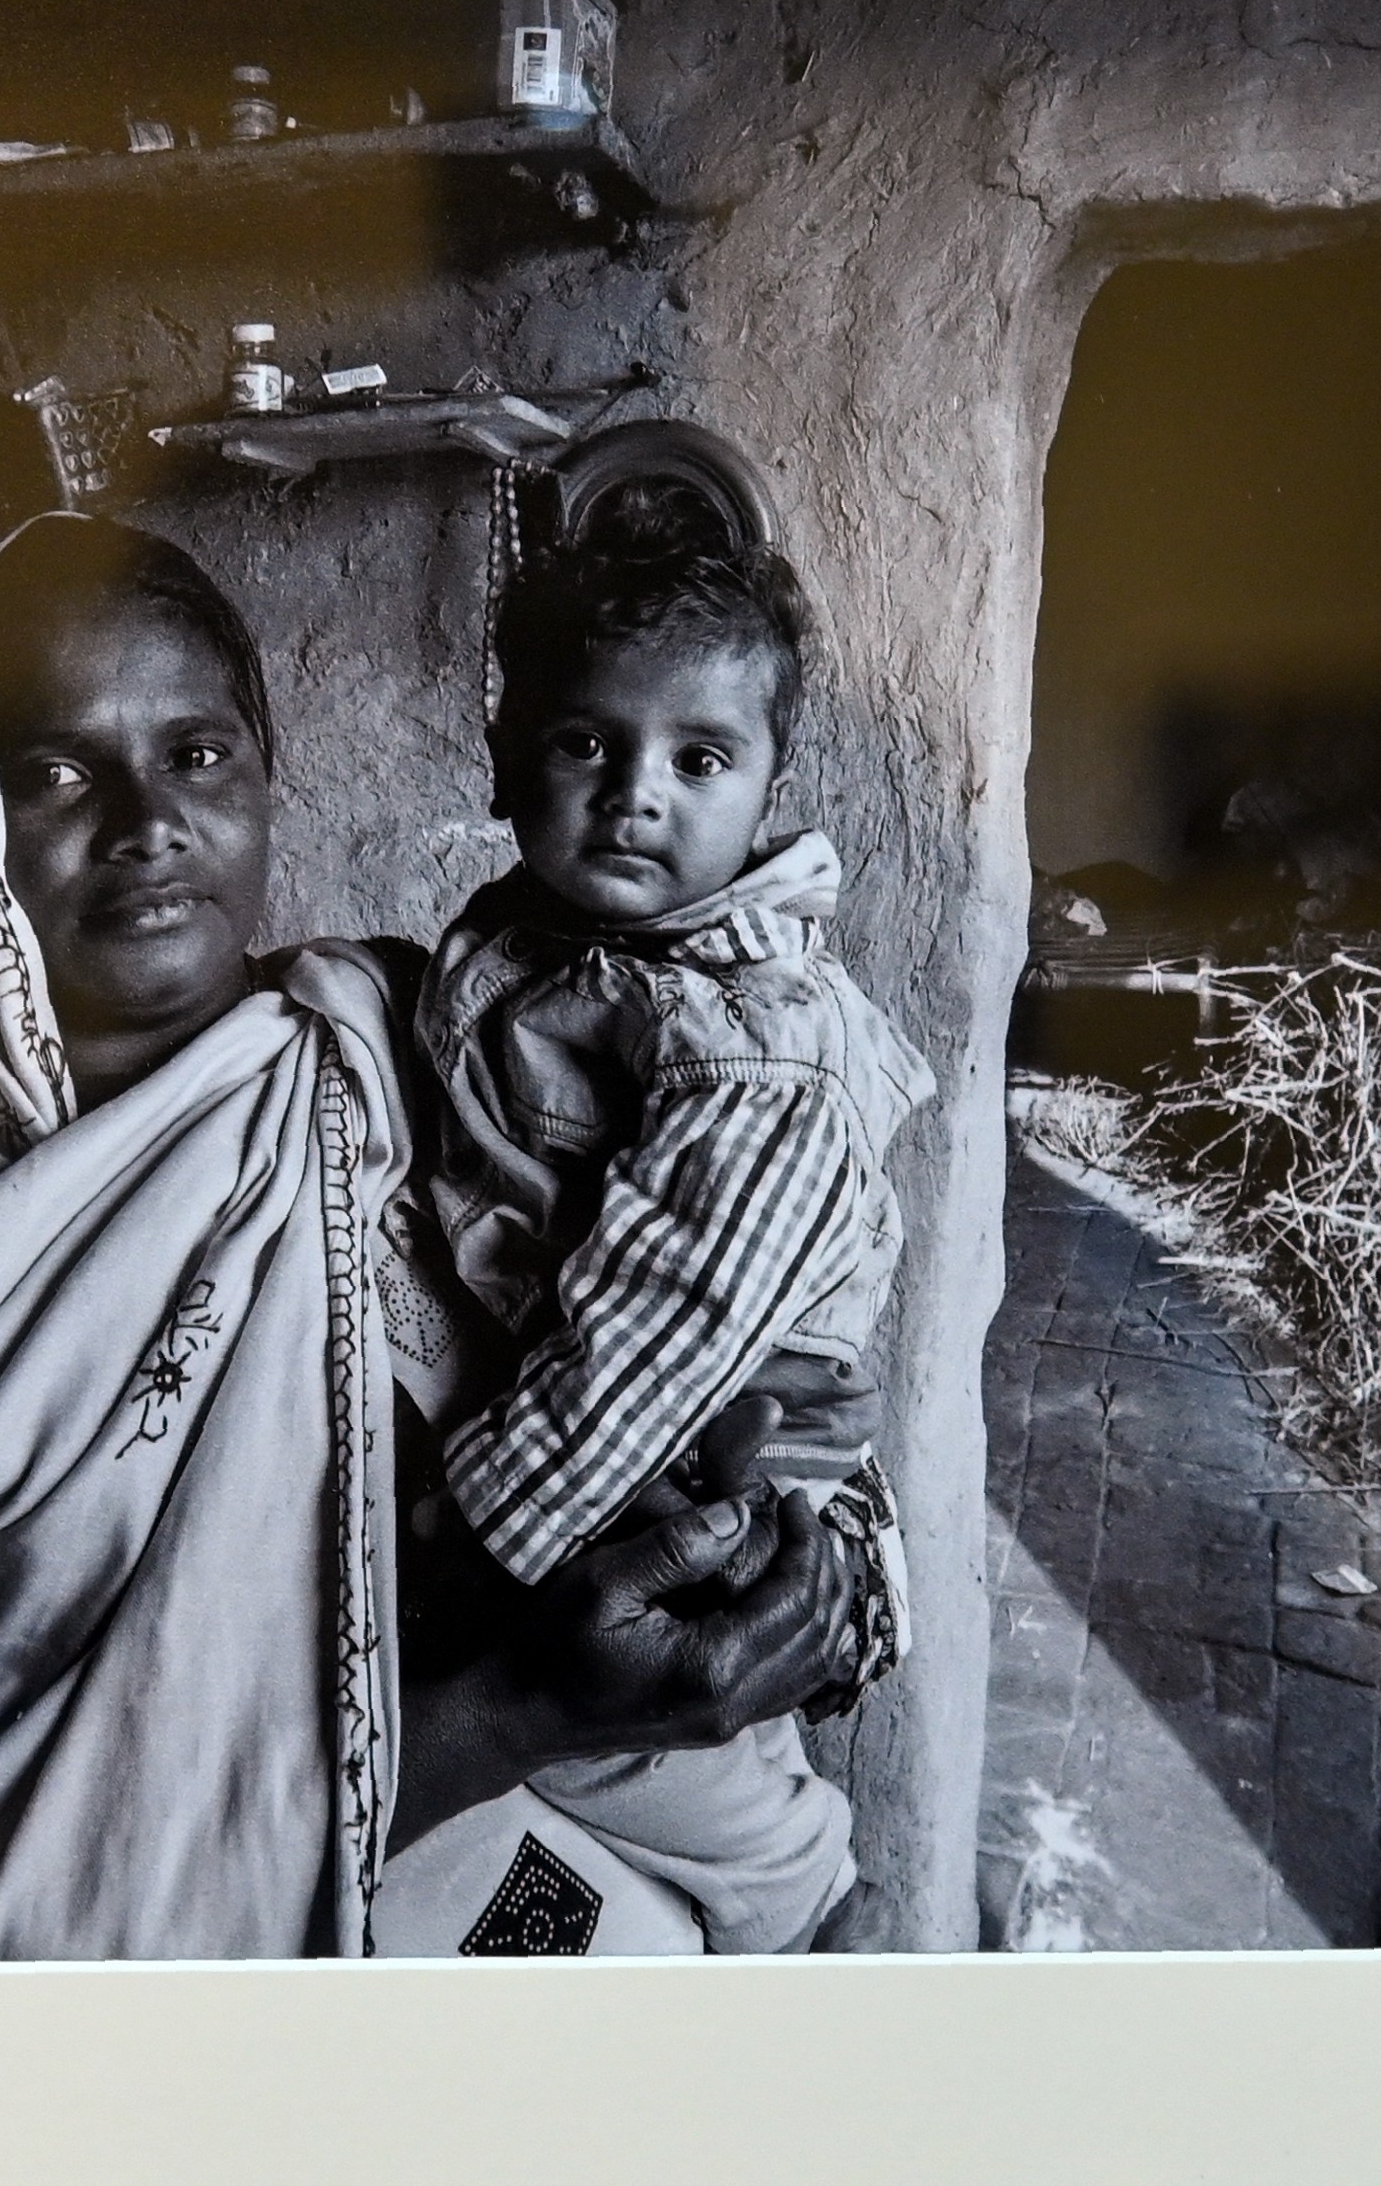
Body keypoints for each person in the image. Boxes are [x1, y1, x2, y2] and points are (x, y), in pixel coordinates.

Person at [0, 511, 858, 1960]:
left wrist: (815, 1578)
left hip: (623, 1813)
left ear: (263, 774)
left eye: (197, 753)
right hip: (312, 1888)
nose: (148, 824)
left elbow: (735, 1309)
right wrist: (524, 1711)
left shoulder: (407, 1047)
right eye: (54, 771)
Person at [381, 497, 935, 1957]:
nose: (635, 794)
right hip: (594, 1434)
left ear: (767, 790)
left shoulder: (749, 1044)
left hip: (669, 1455)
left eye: (699, 760)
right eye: (586, 744)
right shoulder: (553, 944)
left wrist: (479, 1536)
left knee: (652, 1753)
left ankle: (801, 1922)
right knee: (581, 1763)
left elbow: (667, 1321)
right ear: (506, 761)